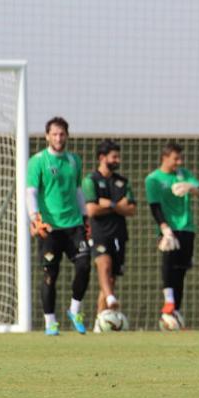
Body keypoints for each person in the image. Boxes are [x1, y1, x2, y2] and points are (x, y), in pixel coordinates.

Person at [26, 116, 91, 336]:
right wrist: (35, 218)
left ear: (67, 136)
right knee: (49, 275)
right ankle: (50, 321)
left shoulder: (74, 161)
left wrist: (85, 218)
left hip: (74, 225)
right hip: (50, 227)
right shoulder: (38, 161)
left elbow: (78, 191)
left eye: (62, 133)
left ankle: (74, 309)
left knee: (84, 266)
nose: (58, 137)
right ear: (47, 136)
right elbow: (31, 192)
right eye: (54, 134)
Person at [145, 143, 199, 326]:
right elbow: (154, 206)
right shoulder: (153, 179)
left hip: (187, 227)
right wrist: (164, 228)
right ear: (165, 157)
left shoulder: (184, 174)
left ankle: (176, 310)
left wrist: (191, 188)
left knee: (181, 270)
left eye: (180, 159)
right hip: (168, 229)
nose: (179, 162)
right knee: (168, 263)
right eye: (175, 159)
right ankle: (169, 300)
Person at [81, 139, 137, 332]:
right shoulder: (91, 180)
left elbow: (131, 209)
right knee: (104, 264)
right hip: (98, 233)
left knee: (110, 280)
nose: (117, 159)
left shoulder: (122, 181)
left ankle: (100, 321)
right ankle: (111, 299)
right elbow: (92, 210)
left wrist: (110, 205)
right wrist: (117, 205)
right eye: (114, 156)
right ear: (102, 158)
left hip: (119, 234)